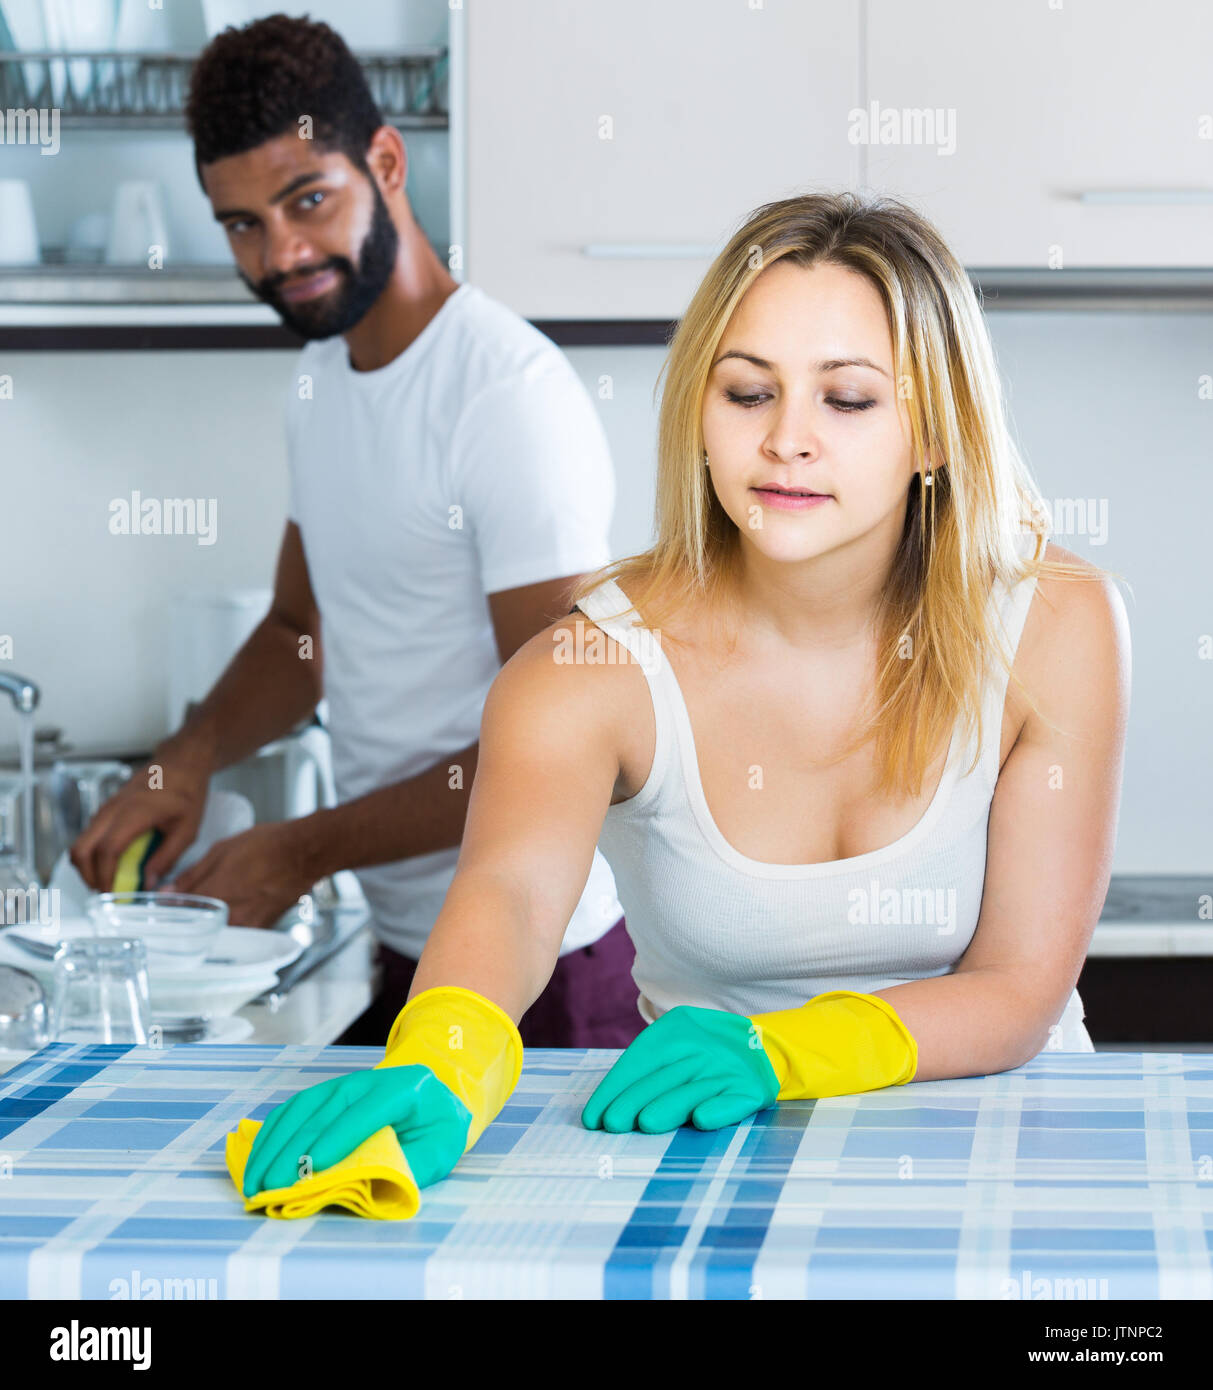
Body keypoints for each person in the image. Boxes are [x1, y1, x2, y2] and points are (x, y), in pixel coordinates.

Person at [238, 189, 1131, 1203]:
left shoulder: (1056, 623)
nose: (786, 439)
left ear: (932, 433)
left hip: (1012, 1155)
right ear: (699, 413)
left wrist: (782, 1050)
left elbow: (1021, 984)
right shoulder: (590, 666)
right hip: (716, 1171)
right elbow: (515, 897)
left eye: (846, 399)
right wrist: (438, 1055)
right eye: (748, 392)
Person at [69, 14, 640, 1049]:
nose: (280, 254)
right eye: (241, 223)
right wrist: (186, 757)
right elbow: (302, 629)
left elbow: (567, 745)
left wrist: (303, 850)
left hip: (544, 967)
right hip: (412, 948)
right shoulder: (320, 380)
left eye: (307, 200)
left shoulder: (503, 397)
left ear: (384, 160)